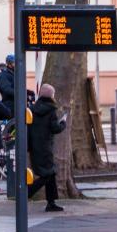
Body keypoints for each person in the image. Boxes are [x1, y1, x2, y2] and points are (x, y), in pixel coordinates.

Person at [27, 84, 66, 212]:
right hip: (45, 147)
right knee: (48, 174)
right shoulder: (51, 110)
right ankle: (28, 192)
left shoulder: (32, 109)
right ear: (51, 96)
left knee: (50, 173)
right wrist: (63, 123)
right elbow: (55, 128)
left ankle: (51, 202)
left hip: (34, 146)